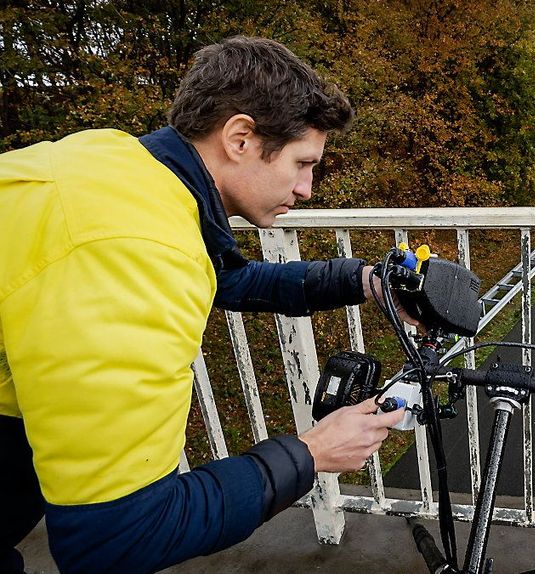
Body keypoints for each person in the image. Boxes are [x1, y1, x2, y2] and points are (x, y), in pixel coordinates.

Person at [0, 36, 413, 573]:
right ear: (240, 138)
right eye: (302, 163)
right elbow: (117, 537)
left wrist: (362, 280)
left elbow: (226, 279)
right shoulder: (137, 253)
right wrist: (311, 455)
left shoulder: (113, 163)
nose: (309, 188)